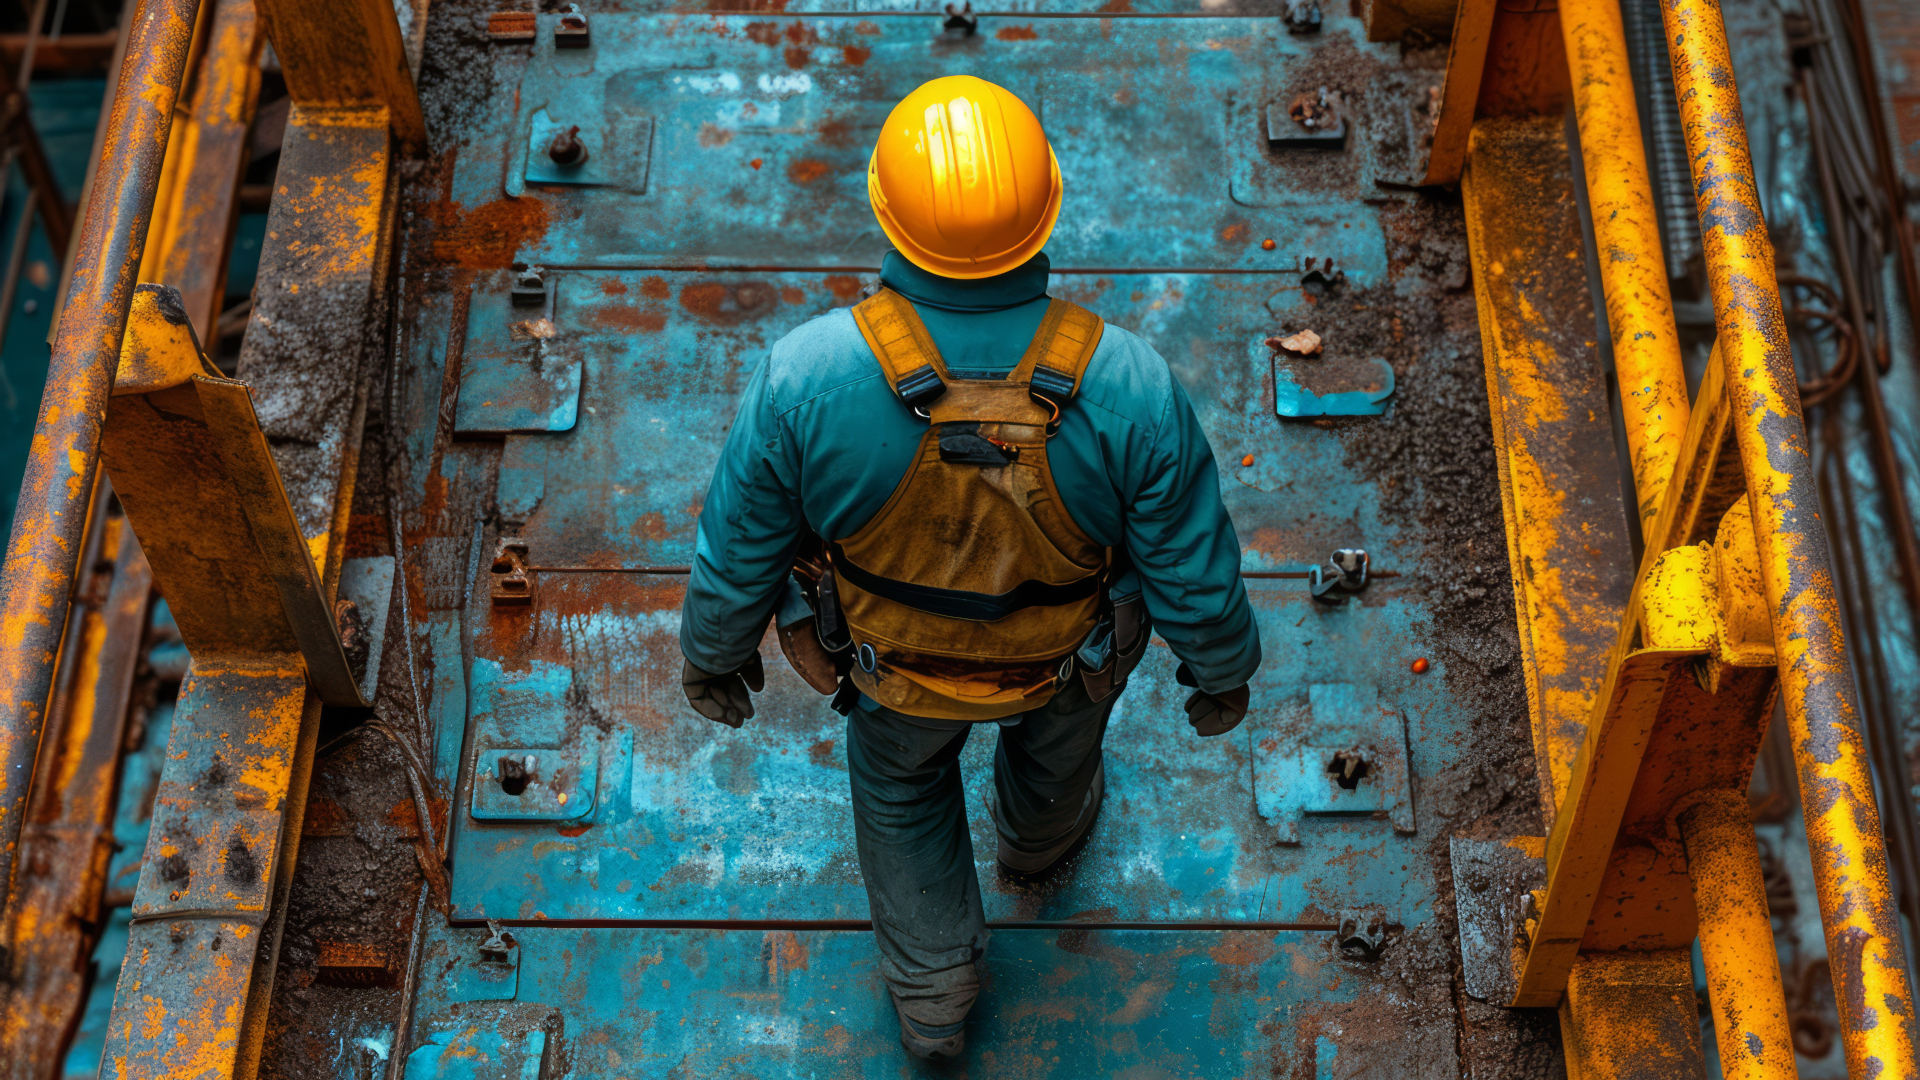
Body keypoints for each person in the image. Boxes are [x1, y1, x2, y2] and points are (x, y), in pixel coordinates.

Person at [678, 74, 1259, 1060]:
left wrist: (714, 654)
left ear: (886, 215)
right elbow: (1190, 569)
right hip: (1068, 661)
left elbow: (741, 549)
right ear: (1047, 217)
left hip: (895, 675)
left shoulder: (806, 380)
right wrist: (1221, 669)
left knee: (902, 802)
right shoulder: (1127, 384)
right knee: (1060, 758)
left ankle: (937, 1002)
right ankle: (1038, 843)